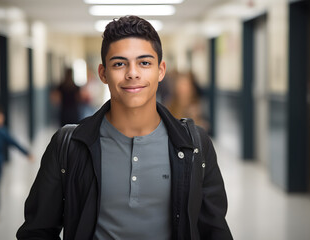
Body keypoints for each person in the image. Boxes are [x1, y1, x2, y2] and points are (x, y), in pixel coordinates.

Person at [17, 16, 232, 240]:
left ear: (161, 71)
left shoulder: (194, 144)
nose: (132, 73)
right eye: (119, 63)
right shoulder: (69, 145)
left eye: (144, 63)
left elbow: (215, 231)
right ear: (103, 73)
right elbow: (37, 232)